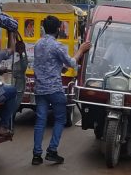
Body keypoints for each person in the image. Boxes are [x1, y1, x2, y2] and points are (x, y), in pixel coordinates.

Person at [32, 15, 90, 166]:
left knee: (40, 121)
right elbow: (71, 63)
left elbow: (46, 64)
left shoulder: (37, 44)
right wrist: (81, 50)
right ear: (58, 29)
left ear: (44, 28)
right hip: (54, 89)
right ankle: (52, 150)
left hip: (39, 89)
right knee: (60, 119)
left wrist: (59, 68)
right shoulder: (57, 46)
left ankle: (36, 155)